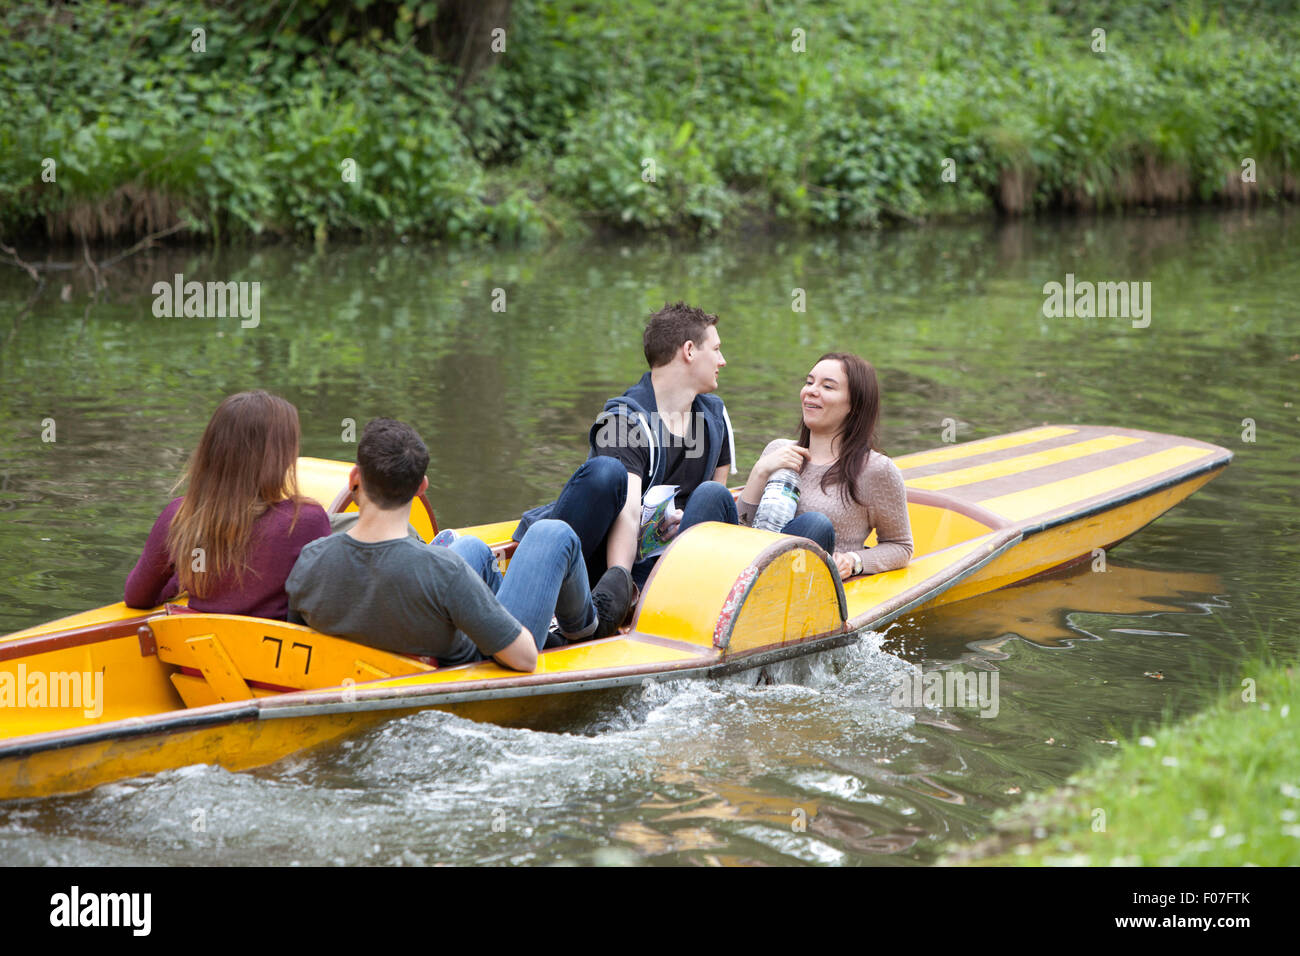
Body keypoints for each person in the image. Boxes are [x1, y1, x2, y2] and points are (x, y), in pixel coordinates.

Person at [285, 418, 633, 673]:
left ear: (353, 480)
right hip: (484, 660)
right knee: (551, 534)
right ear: (422, 487)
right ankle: (587, 628)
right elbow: (525, 659)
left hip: (386, 658)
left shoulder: (310, 560)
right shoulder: (442, 572)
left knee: (474, 548)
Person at [514, 301, 737, 588]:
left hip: (681, 563)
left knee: (710, 494)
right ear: (690, 350)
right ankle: (608, 596)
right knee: (606, 472)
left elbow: (718, 506)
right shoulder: (625, 421)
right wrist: (619, 583)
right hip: (611, 557)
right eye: (716, 349)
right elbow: (628, 515)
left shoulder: (715, 417)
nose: (723, 360)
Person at [124, 390, 332, 618]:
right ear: (279, 457)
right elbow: (324, 603)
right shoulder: (305, 520)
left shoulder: (180, 515)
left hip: (198, 645)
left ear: (211, 450)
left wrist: (186, 576)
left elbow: (137, 597)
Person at [737, 352, 913, 579]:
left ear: (854, 405)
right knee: (709, 493)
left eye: (828, 387)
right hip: (747, 567)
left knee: (814, 525)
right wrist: (760, 471)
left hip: (802, 584)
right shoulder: (777, 450)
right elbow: (742, 528)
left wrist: (853, 561)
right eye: (809, 382)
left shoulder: (876, 470)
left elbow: (901, 546)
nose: (811, 390)